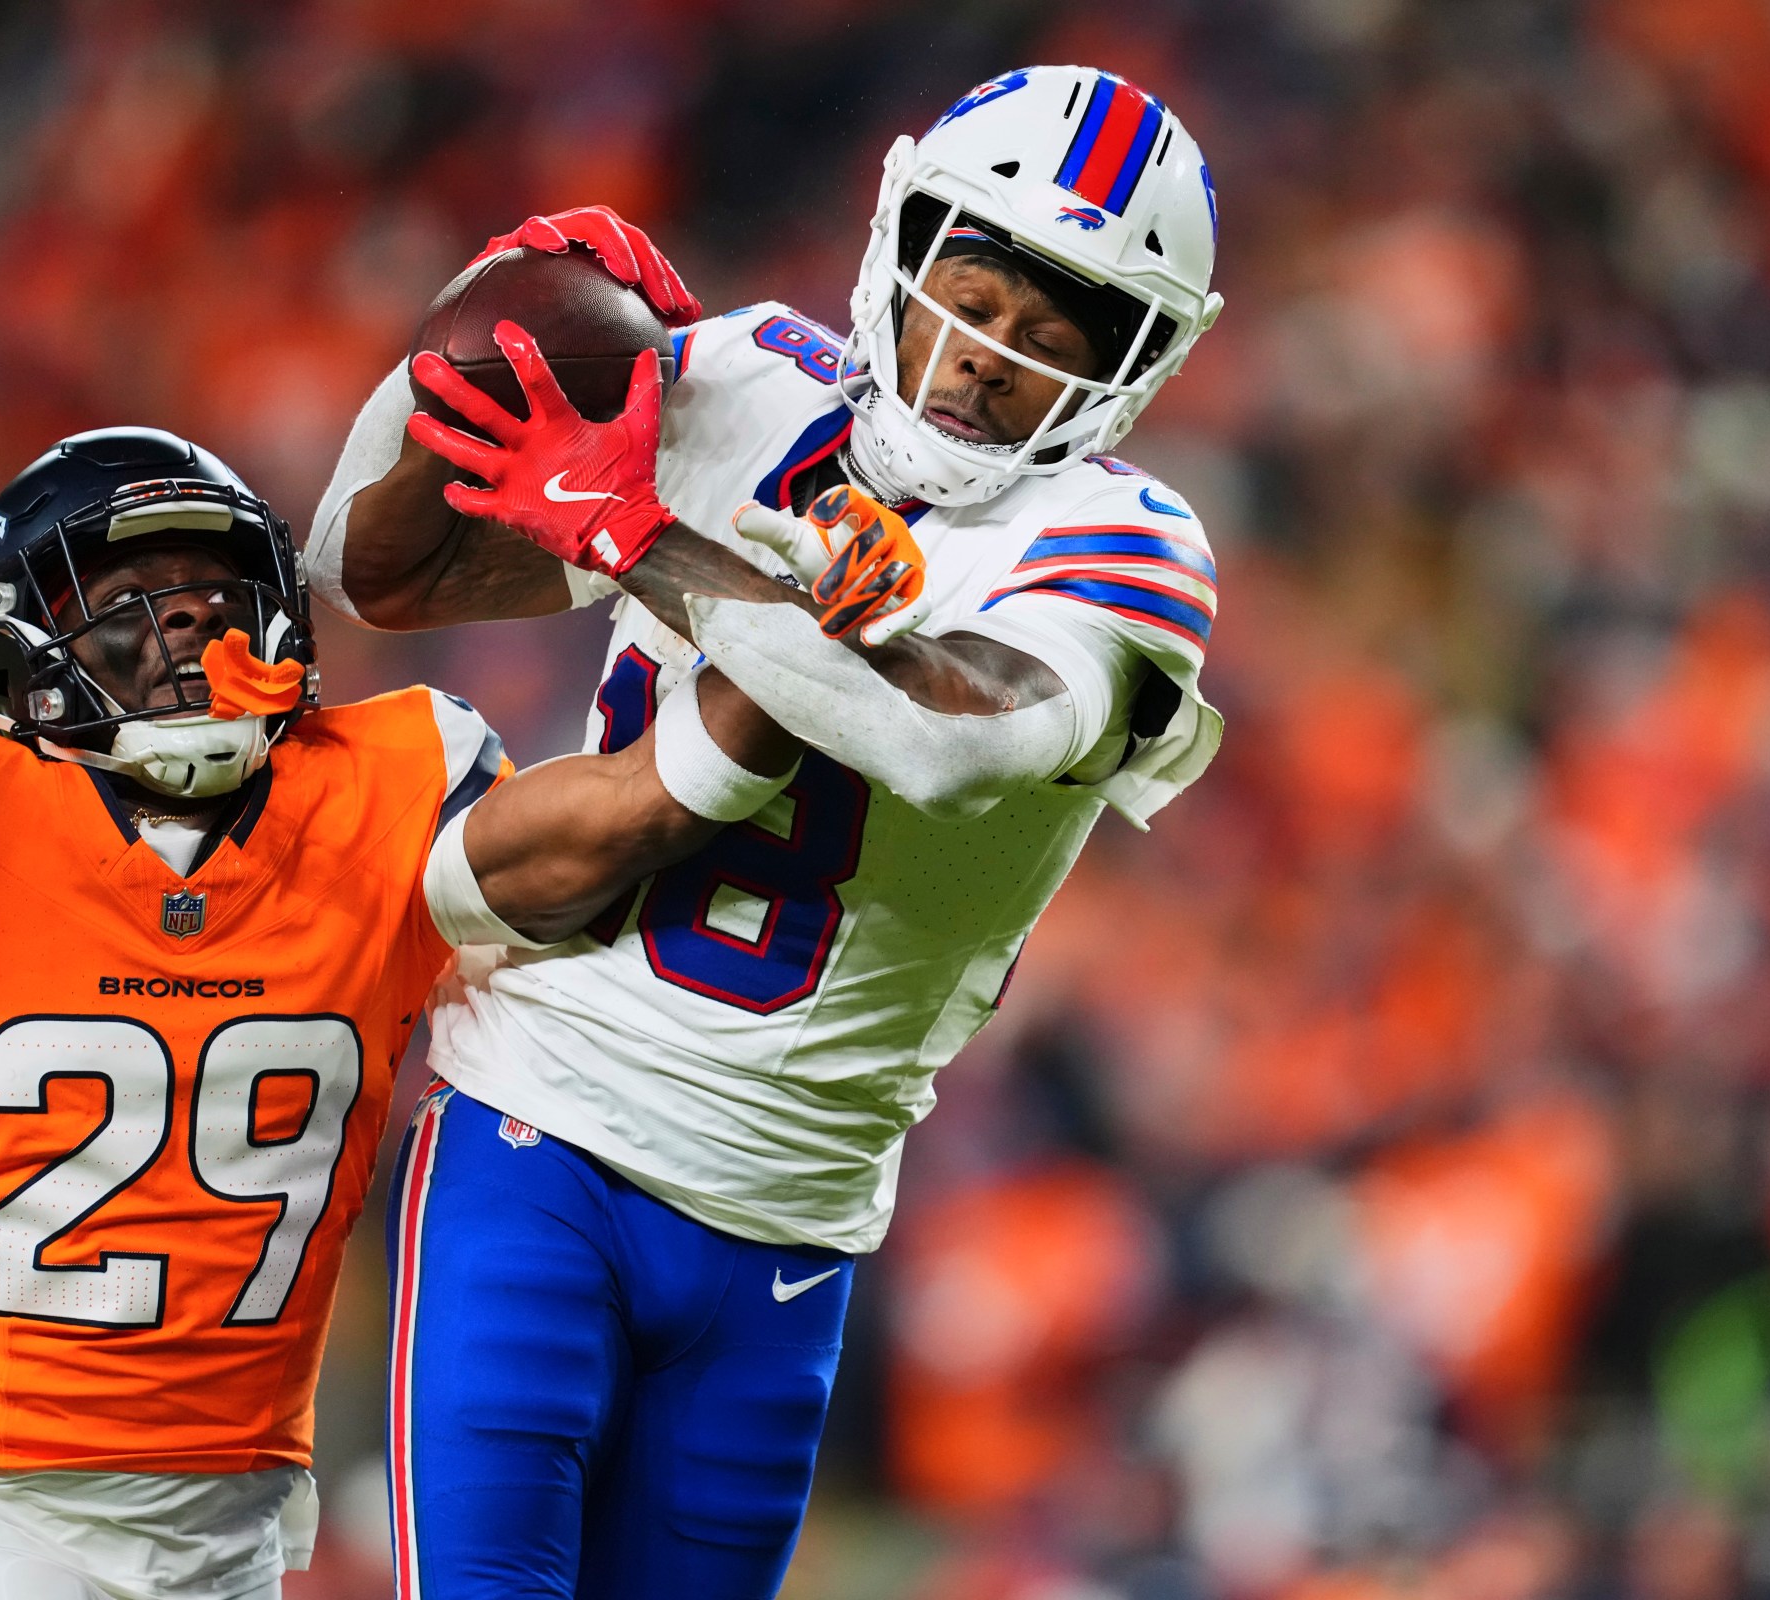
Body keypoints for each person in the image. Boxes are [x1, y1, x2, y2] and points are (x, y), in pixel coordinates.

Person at [0, 101, 793, 1600]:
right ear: (25, 651)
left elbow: (651, 802)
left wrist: (775, 575)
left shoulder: (384, 787)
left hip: (238, 1531)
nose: (184, 624)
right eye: (126, 597)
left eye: (212, 587)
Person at [312, 64, 1227, 1600]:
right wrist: (472, 348)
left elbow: (952, 732)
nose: (989, 359)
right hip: (535, 1132)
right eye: (972, 293)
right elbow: (373, 568)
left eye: (1053, 338)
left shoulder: (1125, 548)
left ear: (1135, 369)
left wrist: (640, 539)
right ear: (899, 246)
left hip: (789, 1225)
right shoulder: (745, 380)